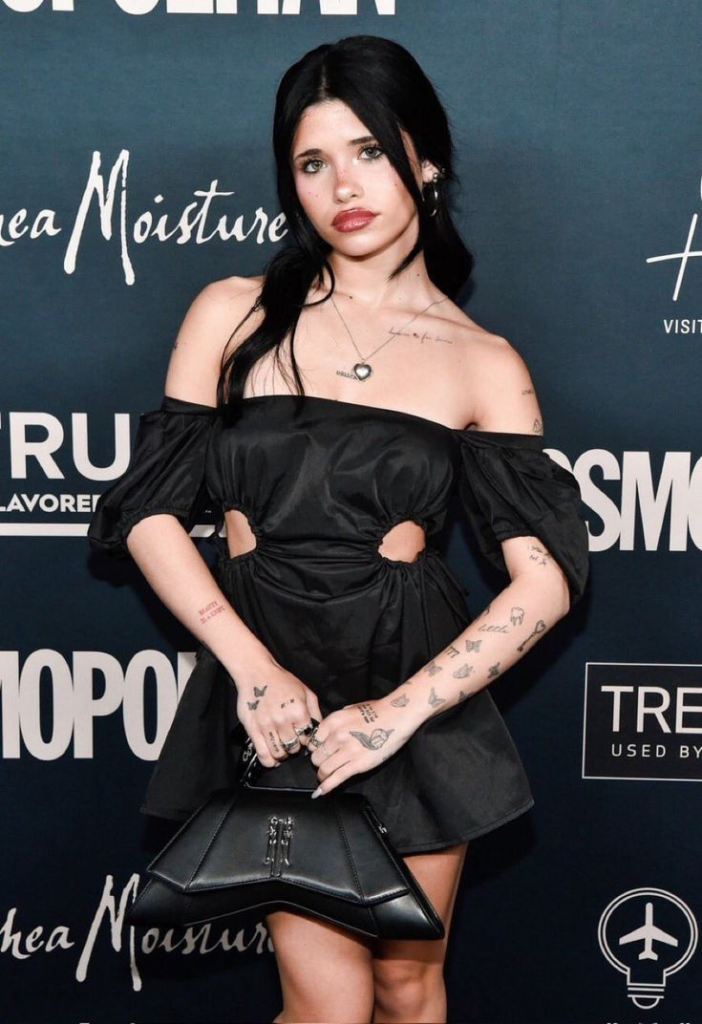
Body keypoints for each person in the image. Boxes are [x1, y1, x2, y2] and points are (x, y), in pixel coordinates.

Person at [88, 34, 589, 1024]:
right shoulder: (235, 314)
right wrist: (252, 671)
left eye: (368, 151)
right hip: (278, 692)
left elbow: (545, 579)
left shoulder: (482, 359)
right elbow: (147, 510)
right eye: (312, 162)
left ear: (426, 163)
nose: (342, 186)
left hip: (415, 692)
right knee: (327, 1006)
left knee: (408, 985)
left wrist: (399, 713)